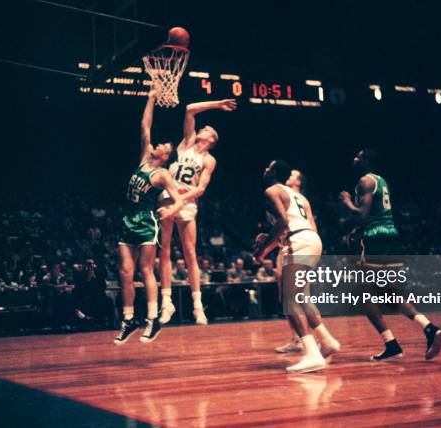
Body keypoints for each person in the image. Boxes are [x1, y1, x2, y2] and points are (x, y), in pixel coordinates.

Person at [339, 149, 441, 361]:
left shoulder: (365, 181)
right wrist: (356, 231)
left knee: (362, 295)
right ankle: (426, 328)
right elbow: (377, 214)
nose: (354, 159)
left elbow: (361, 215)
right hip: (389, 237)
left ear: (366, 161)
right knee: (390, 293)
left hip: (374, 241)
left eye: (358, 156)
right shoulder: (382, 181)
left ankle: (393, 342)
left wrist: (347, 201)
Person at [113, 86, 184, 346]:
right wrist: (151, 98)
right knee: (124, 272)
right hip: (127, 219)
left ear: (165, 155)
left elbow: (178, 199)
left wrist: (171, 210)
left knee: (145, 270)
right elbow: (145, 125)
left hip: (145, 222)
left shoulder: (163, 174)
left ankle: (153, 319)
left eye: (161, 146)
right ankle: (128, 320)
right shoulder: (144, 158)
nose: (155, 145)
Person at [254, 160, 339, 374]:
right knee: (302, 297)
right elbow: (292, 227)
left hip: (298, 242)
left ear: (274, 173)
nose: (265, 170)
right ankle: (327, 341)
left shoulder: (272, 190)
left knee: (289, 299)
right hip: (312, 240)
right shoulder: (299, 197)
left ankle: (311, 354)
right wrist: (273, 240)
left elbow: (283, 223)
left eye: (268, 167)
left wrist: (263, 249)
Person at [158, 98, 237, 325]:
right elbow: (190, 109)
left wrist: (179, 200)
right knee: (163, 252)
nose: (201, 129)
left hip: (186, 201)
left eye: (206, 130)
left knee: (190, 252)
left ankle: (197, 305)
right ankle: (166, 303)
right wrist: (217, 104)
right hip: (168, 197)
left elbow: (201, 189)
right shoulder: (186, 144)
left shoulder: (209, 160)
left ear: (211, 139)